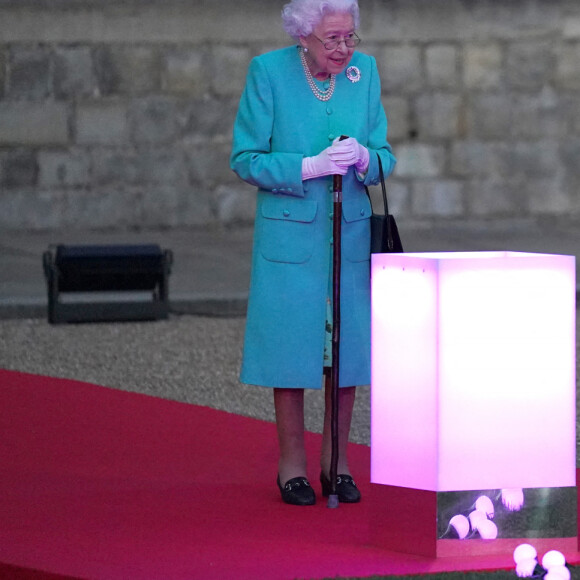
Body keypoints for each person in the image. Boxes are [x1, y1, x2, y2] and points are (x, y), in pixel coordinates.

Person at [230, 0, 396, 506]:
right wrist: (308, 165)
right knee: (292, 349)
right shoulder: (268, 72)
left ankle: (337, 463)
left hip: (349, 233)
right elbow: (245, 158)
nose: (344, 48)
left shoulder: (363, 73)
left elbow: (385, 156)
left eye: (350, 37)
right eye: (333, 39)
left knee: (346, 351)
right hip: (291, 237)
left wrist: (367, 158)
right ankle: (292, 466)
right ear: (303, 36)